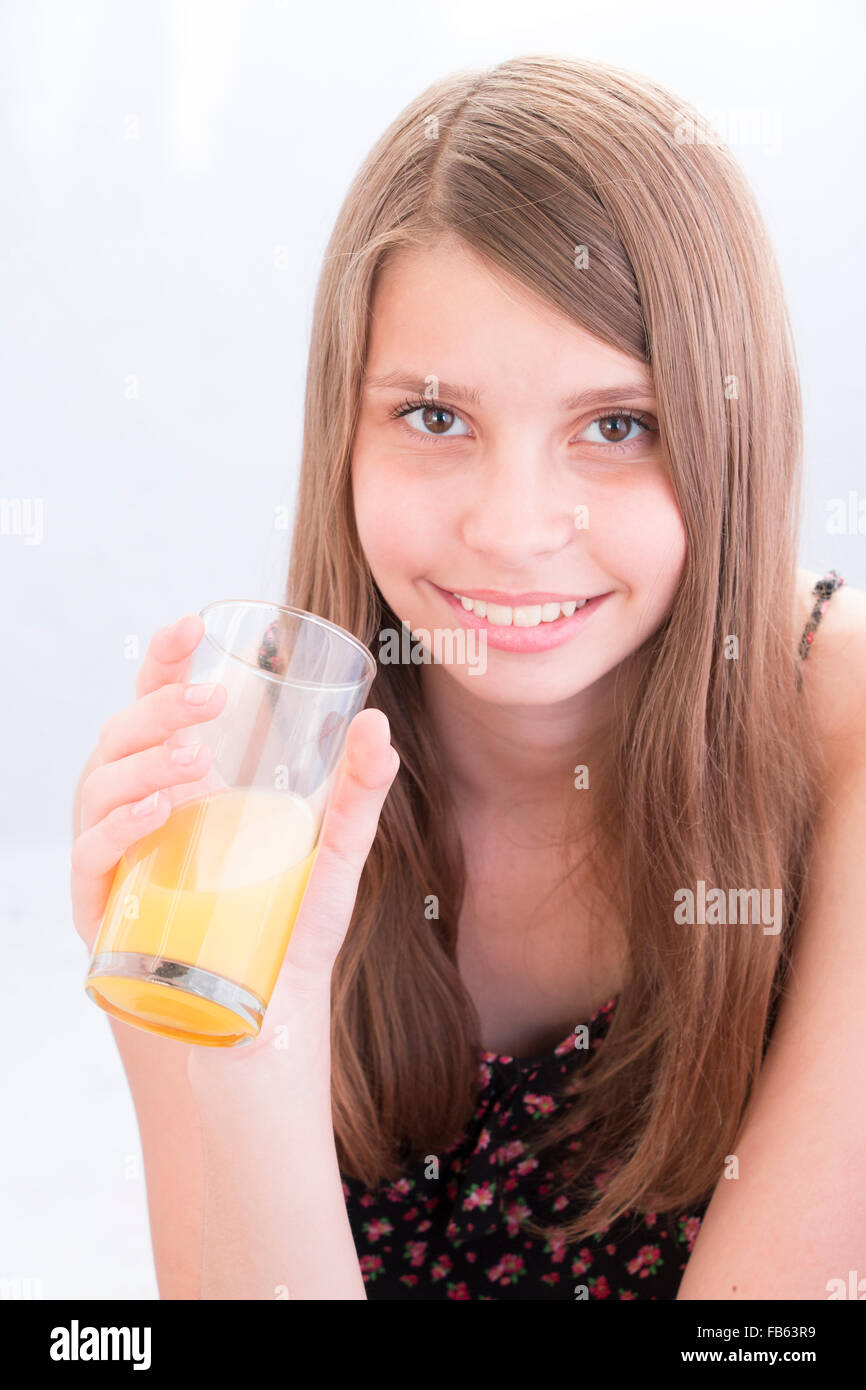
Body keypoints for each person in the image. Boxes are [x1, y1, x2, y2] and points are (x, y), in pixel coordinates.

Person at [71, 54, 866, 1300]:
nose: (511, 526)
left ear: (731, 428)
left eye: (617, 425)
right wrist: (245, 1054)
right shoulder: (242, 789)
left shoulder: (847, 733)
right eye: (435, 418)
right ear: (345, 427)